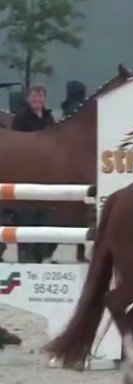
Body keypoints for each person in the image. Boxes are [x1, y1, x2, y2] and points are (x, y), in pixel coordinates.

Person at [8, 84, 56, 263]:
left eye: (40, 97)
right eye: (34, 97)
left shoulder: (49, 118)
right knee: (25, 215)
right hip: (26, 169)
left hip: (46, 171)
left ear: (44, 99)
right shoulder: (20, 119)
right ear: (28, 99)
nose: (37, 100)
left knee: (46, 216)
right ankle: (26, 256)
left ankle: (42, 255)